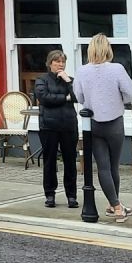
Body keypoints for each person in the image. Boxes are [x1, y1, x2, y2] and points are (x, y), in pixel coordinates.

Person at [72, 34, 132, 221]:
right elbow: (130, 93)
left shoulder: (82, 71)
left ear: (90, 49)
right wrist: (118, 102)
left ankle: (112, 204)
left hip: (93, 124)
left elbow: (79, 97)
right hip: (115, 122)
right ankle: (116, 207)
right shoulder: (117, 69)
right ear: (108, 49)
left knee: (103, 167)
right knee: (113, 166)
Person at [32, 49, 79, 209]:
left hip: (68, 125)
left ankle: (71, 196)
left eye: (62, 61)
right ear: (50, 63)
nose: (60, 64)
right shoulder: (42, 79)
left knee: (70, 161)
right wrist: (65, 98)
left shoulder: (69, 80)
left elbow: (78, 96)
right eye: (57, 61)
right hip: (49, 126)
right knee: (50, 161)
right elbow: (44, 98)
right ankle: (50, 194)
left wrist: (68, 82)